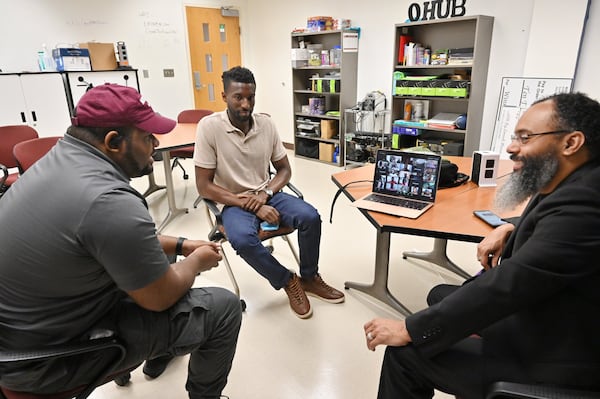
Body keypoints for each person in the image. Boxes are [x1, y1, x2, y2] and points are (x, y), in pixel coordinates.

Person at [0, 83, 242, 398]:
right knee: (224, 309)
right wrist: (196, 261)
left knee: (162, 261)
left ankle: (160, 353)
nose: (156, 144)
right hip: (48, 362)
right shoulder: (110, 200)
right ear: (114, 142)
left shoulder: (56, 160)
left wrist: (180, 244)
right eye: (146, 137)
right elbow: (159, 297)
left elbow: (116, 240)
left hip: (20, 337)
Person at [364, 92, 600, 399]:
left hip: (558, 356)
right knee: (440, 294)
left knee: (405, 355)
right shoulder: (578, 181)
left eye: (525, 138)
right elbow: (555, 223)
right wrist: (509, 226)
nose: (512, 147)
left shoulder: (587, 205)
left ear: (571, 143)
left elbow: (508, 284)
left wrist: (409, 329)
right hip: (554, 314)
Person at [194, 66, 344, 319]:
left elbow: (284, 170)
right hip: (232, 202)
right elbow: (204, 186)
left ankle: (309, 277)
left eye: (250, 97)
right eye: (238, 97)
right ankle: (288, 281)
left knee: (310, 217)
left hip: (267, 193)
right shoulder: (209, 128)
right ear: (224, 97)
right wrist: (250, 204)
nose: (245, 104)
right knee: (241, 240)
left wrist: (265, 195)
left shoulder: (266, 124)